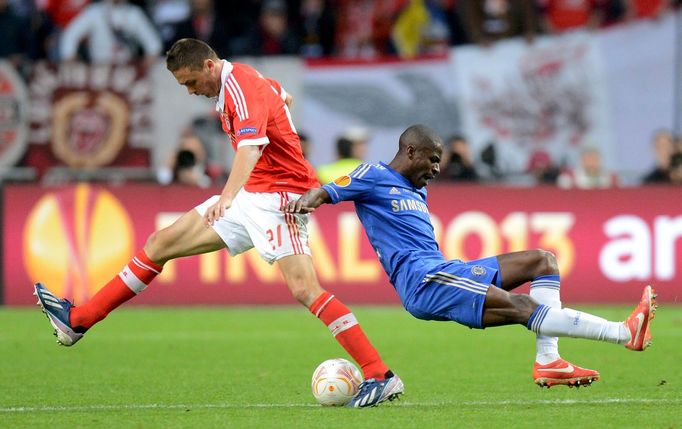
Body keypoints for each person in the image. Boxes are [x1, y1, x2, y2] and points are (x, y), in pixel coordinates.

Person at [34, 38, 402, 409]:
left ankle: (379, 373)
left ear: (210, 66)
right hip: (253, 195)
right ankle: (78, 320)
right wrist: (272, 123)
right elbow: (283, 96)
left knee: (306, 290)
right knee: (161, 243)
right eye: (184, 87)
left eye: (192, 82)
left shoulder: (240, 85)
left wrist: (226, 196)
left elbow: (251, 147)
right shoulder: (240, 83)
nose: (192, 92)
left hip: (279, 197)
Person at [285, 124, 656, 388]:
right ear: (409, 152)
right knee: (523, 306)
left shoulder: (418, 191)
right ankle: (624, 334)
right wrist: (302, 202)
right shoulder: (373, 175)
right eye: (432, 160)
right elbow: (326, 192)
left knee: (543, 260)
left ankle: (549, 361)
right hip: (424, 281)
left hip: (444, 270)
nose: (435, 169)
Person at [59, 0, 162, 65]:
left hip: (126, 71)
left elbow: (153, 44)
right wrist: (70, 57)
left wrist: (144, 67)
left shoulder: (133, 14)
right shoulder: (95, 12)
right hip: (99, 69)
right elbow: (70, 35)